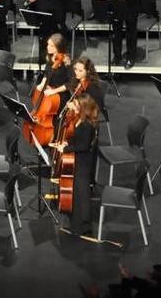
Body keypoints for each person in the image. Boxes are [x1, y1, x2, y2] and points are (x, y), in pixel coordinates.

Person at [54, 93, 98, 236]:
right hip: (77, 156)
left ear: (84, 108)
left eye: (77, 105)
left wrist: (65, 148)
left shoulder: (87, 125)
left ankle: (83, 225)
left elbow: (84, 146)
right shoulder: (79, 119)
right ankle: (74, 219)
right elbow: (77, 140)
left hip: (83, 161)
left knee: (81, 192)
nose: (75, 106)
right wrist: (69, 143)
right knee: (75, 190)